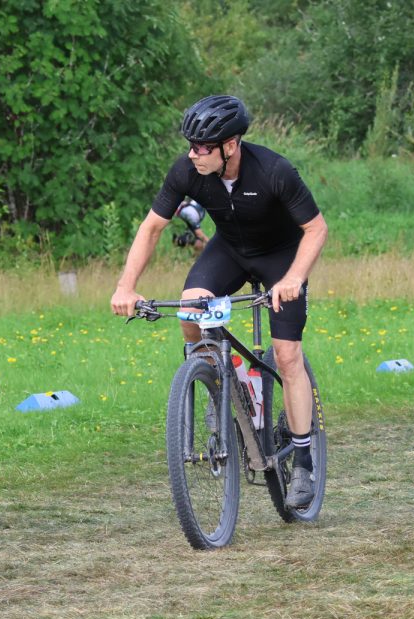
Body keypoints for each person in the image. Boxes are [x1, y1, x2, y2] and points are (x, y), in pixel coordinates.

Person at [111, 94, 327, 507]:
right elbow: (152, 227)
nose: (193, 154)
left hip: (281, 258)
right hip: (229, 251)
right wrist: (126, 286)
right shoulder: (187, 171)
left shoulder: (274, 170)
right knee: (190, 308)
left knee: (287, 356)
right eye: (190, 146)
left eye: (202, 147)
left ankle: (303, 461)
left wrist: (294, 278)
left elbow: (316, 229)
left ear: (230, 145)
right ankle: (216, 379)